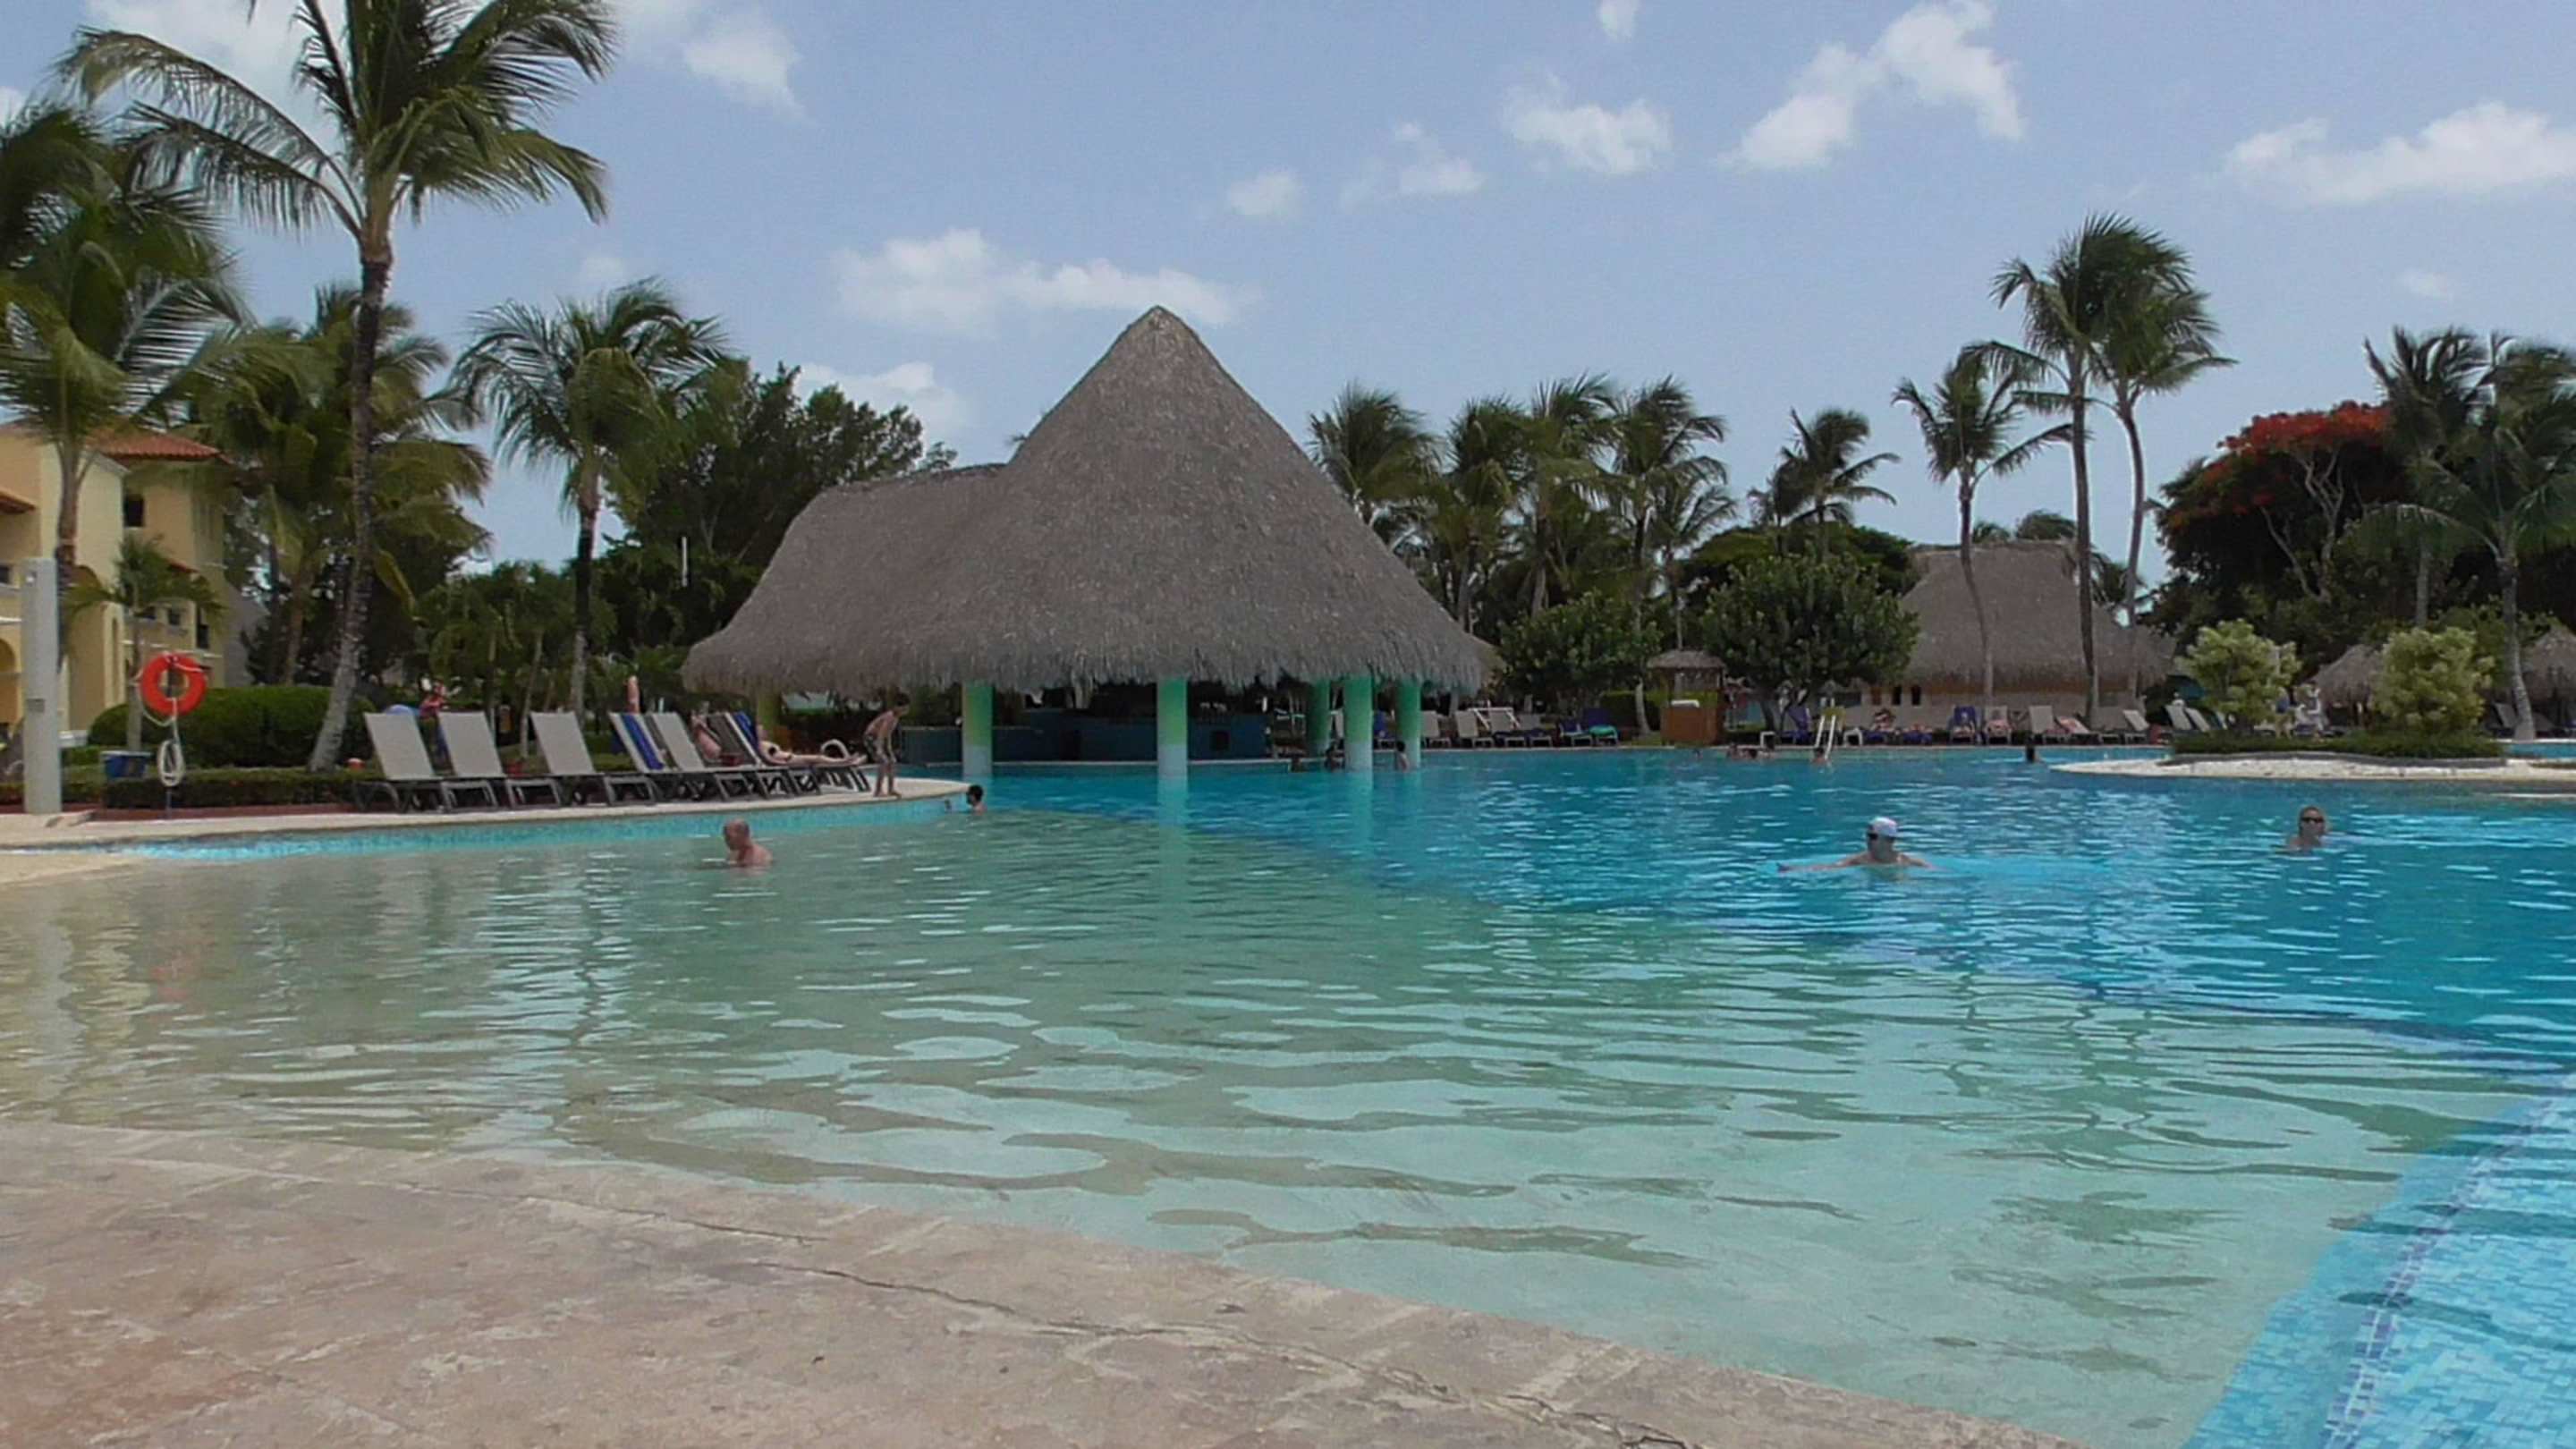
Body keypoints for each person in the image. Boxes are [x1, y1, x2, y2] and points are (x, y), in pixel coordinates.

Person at [1782, 816, 1931, 872]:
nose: (1867, 840)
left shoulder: (1907, 861)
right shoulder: (1860, 860)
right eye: (1867, 836)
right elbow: (1830, 868)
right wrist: (1797, 869)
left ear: (1888, 840)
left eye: (1872, 836)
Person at [864, 699, 902, 798]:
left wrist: (889, 749)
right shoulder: (889, 716)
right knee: (883, 762)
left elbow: (888, 734)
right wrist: (879, 749)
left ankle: (891, 789)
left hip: (880, 739)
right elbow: (881, 733)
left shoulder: (896, 718)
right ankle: (878, 791)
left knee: (892, 761)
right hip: (871, 737)